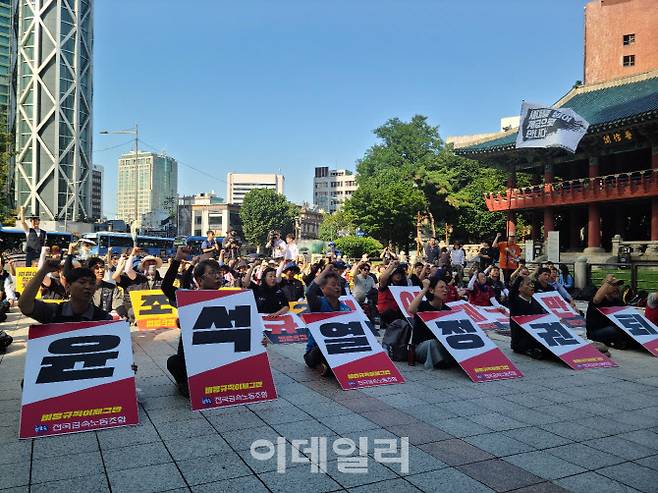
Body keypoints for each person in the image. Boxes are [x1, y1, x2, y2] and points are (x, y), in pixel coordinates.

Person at [19, 258, 112, 323]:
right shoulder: (54, 312)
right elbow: (24, 305)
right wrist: (43, 271)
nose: (88, 286)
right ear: (68, 286)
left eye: (92, 283)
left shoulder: (104, 319)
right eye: (82, 282)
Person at [304, 265, 351, 376]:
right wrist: (325, 271)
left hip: (338, 349)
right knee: (320, 351)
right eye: (333, 285)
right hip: (315, 351)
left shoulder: (346, 309)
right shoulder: (318, 304)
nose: (337, 288)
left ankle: (327, 367)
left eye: (339, 285)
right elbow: (309, 293)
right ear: (323, 288)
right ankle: (320, 365)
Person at [407, 277, 455, 369]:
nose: (445, 290)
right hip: (422, 347)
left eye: (446, 288)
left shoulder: (447, 310)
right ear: (432, 290)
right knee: (432, 344)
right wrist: (425, 289)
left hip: (440, 344)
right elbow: (411, 309)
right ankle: (441, 361)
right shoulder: (423, 306)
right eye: (441, 287)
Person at [585, 274, 636, 349]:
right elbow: (597, 299)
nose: (616, 288)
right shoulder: (597, 300)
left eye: (617, 286)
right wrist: (608, 281)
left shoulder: (617, 301)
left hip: (611, 329)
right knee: (615, 330)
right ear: (605, 288)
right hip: (595, 333)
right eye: (613, 285)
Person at [508, 275, 551, 359]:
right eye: (528, 284)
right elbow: (512, 292)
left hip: (537, 334)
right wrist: (520, 277)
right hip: (521, 339)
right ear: (519, 288)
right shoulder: (515, 301)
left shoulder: (536, 301)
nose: (532, 286)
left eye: (532, 284)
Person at [377, 261, 409, 326]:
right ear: (392, 274)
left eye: (400, 274)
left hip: (397, 311)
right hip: (385, 311)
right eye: (396, 273)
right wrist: (392, 266)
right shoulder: (385, 284)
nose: (398, 275)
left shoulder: (402, 286)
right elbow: (383, 278)